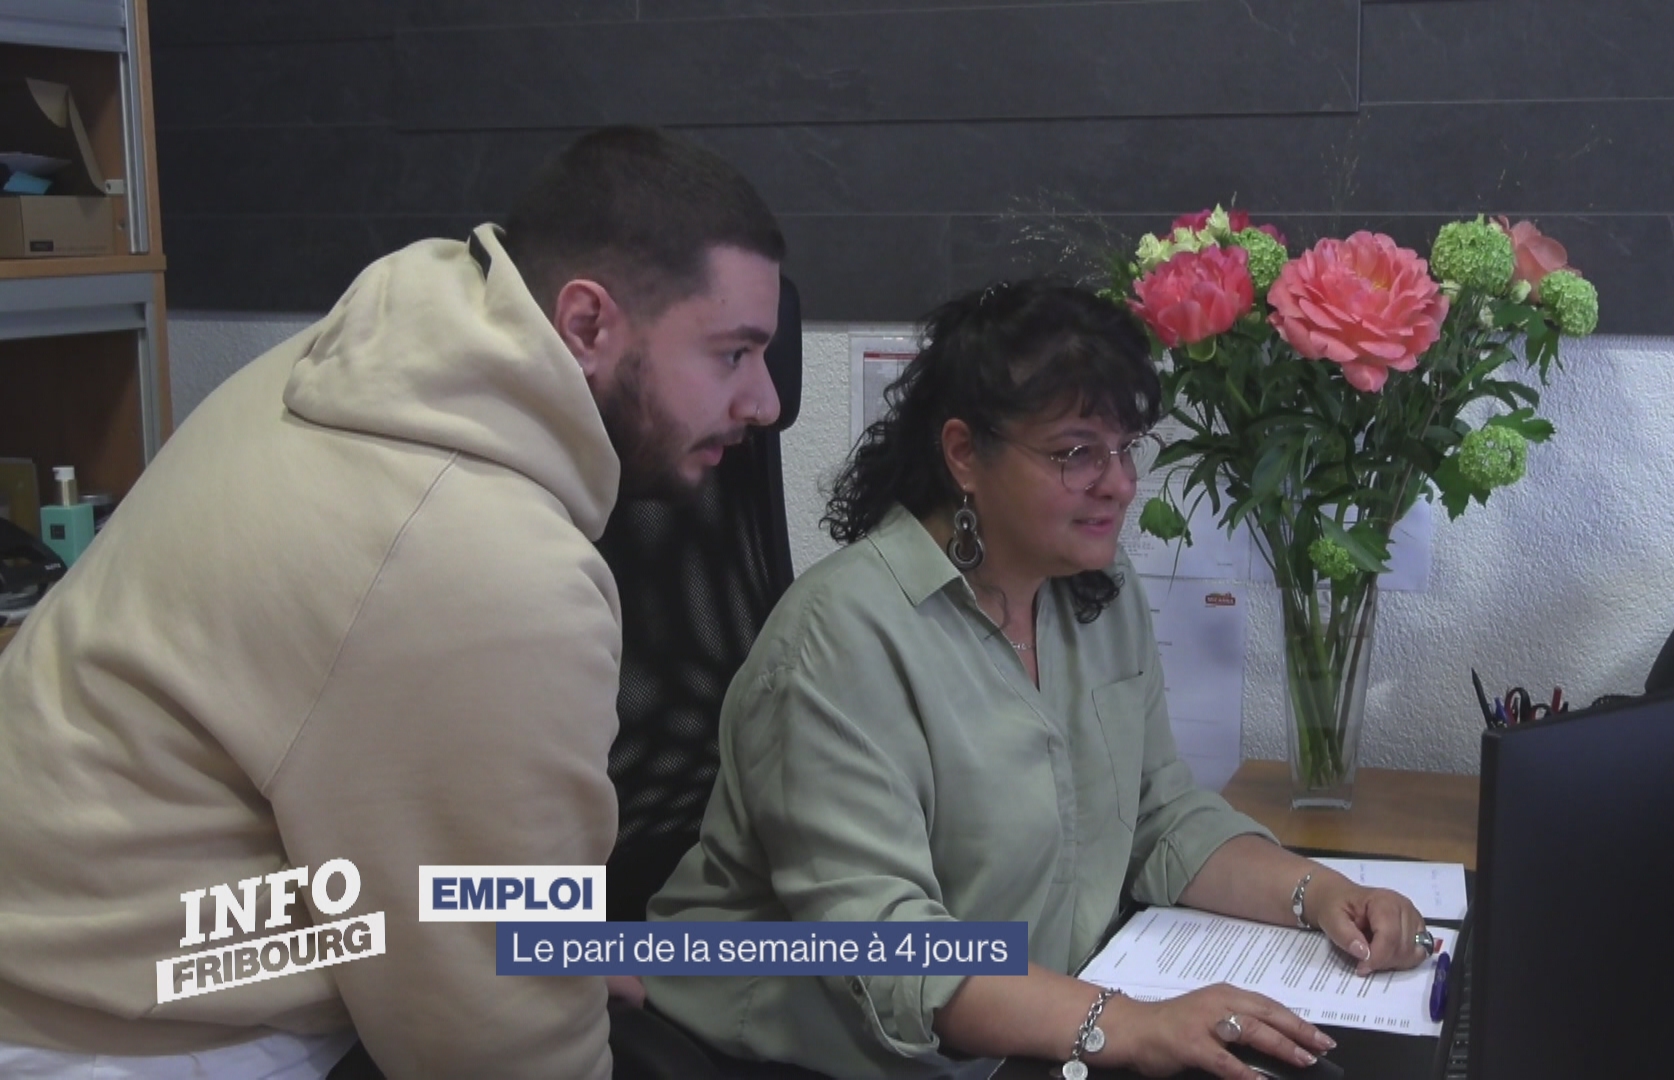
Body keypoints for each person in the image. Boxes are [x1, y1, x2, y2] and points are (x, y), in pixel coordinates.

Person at [0, 126, 785, 1078]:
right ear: (585, 325)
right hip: (114, 1025)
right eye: (733, 355)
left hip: (94, 928)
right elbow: (497, 1054)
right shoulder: (483, 564)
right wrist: (529, 989)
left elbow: (446, 890)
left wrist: (544, 948)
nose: (767, 403)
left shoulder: (369, 362)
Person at [645, 279, 1436, 1080]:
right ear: (964, 454)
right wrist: (1128, 1025)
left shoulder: (1095, 591)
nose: (1118, 483)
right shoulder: (837, 641)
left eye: (1125, 447)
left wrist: (1321, 895)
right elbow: (890, 949)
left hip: (1037, 1021)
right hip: (817, 1057)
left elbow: (1158, 815)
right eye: (1076, 452)